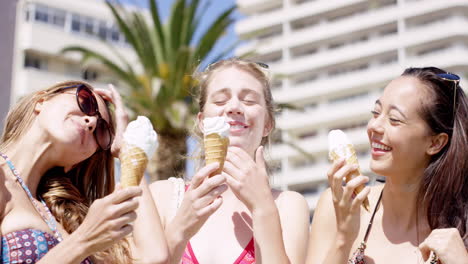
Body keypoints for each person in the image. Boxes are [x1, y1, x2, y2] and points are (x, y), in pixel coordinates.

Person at [150, 58, 310, 264]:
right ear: (201, 122)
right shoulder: (163, 197)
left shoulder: (288, 205)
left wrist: (263, 209)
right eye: (220, 101)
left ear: (268, 124)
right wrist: (180, 228)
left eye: (249, 100)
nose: (234, 107)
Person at [307, 67, 468, 264]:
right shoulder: (338, 208)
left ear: (435, 143)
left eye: (394, 119)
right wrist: (343, 238)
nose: (374, 126)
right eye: (376, 113)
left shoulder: (460, 230)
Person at [0, 81, 168, 263]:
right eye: (87, 102)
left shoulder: (62, 215)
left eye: (102, 131)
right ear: (41, 101)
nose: (93, 121)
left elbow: (155, 258)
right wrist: (83, 240)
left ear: (75, 164)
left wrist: (127, 151)